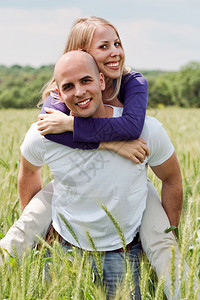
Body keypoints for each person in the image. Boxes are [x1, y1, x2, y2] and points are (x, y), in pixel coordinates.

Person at [0, 16, 198, 299]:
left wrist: (172, 231)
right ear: (81, 53)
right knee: (24, 229)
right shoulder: (52, 118)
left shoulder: (135, 91)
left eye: (116, 43)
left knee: (164, 245)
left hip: (128, 223)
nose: (115, 52)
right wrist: (110, 144)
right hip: (67, 247)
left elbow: (134, 133)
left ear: (100, 78)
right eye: (103, 46)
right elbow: (30, 168)